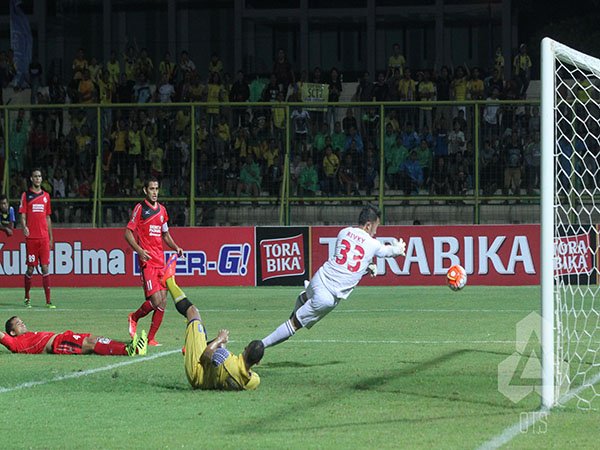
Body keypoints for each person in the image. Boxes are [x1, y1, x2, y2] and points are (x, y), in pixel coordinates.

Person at [260, 205, 406, 349]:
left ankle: (290, 319)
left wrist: (366, 267)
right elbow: (387, 252)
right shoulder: (373, 244)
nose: (375, 231)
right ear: (368, 225)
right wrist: (398, 249)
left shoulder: (344, 232)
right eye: (376, 227)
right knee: (293, 326)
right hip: (328, 296)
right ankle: (259, 346)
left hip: (319, 279)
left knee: (304, 298)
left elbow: (346, 262)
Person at [161, 265, 264, 390]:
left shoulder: (226, 359)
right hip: (208, 380)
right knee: (210, 339)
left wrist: (220, 339)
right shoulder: (253, 381)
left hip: (197, 372)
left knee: (193, 312)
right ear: (258, 362)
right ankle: (190, 346)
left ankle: (168, 280)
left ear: (246, 349)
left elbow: (205, 355)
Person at [126, 177, 184, 347]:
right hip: (148, 261)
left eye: (156, 189)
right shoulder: (140, 208)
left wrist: (176, 247)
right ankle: (134, 317)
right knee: (156, 301)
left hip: (161, 261)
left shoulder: (162, 211)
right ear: (145, 190)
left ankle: (150, 339)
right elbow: (128, 233)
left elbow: (165, 234)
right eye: (151, 189)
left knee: (163, 302)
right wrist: (139, 250)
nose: (154, 192)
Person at [0, 316, 147, 356]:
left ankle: (129, 346)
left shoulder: (27, 335)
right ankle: (129, 350)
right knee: (91, 343)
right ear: (12, 332)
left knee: (95, 338)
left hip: (63, 337)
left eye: (22, 321)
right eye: (18, 324)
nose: (23, 324)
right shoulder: (15, 343)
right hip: (58, 344)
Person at [19, 169, 54, 309]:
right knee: (30, 269)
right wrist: (24, 227)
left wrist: (51, 237)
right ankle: (27, 297)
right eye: (35, 176)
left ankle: (48, 301)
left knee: (45, 268)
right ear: (31, 179)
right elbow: (22, 215)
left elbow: (48, 217)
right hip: (32, 238)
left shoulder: (46, 196)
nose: (38, 178)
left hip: (44, 238)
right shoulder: (26, 195)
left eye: (40, 176)